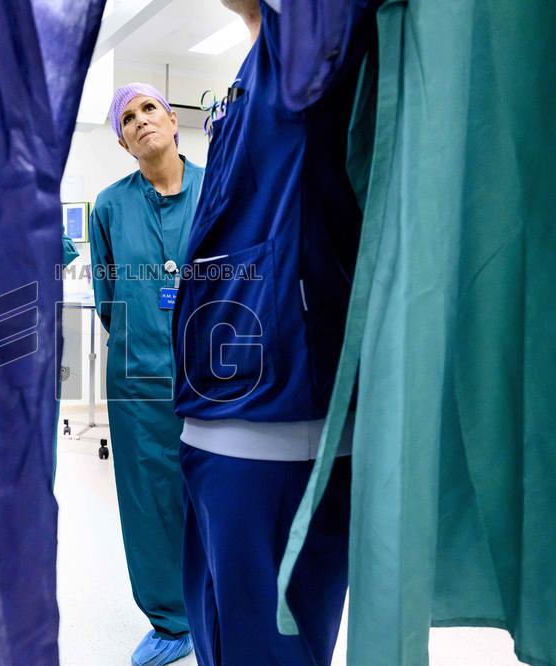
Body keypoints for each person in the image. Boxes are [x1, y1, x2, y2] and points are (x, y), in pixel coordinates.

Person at [172, 1, 378, 664]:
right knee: (219, 637)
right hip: (212, 415)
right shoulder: (244, 79)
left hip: (280, 422)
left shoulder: (308, 44)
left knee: (270, 646)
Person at [89, 83, 203, 666]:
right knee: (150, 499)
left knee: (219, 492)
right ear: (122, 141)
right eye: (127, 118)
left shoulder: (219, 187)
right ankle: (170, 620)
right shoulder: (109, 206)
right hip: (138, 379)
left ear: (173, 120)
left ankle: (220, 608)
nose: (139, 121)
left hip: (218, 371)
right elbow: (107, 298)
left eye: (149, 108)